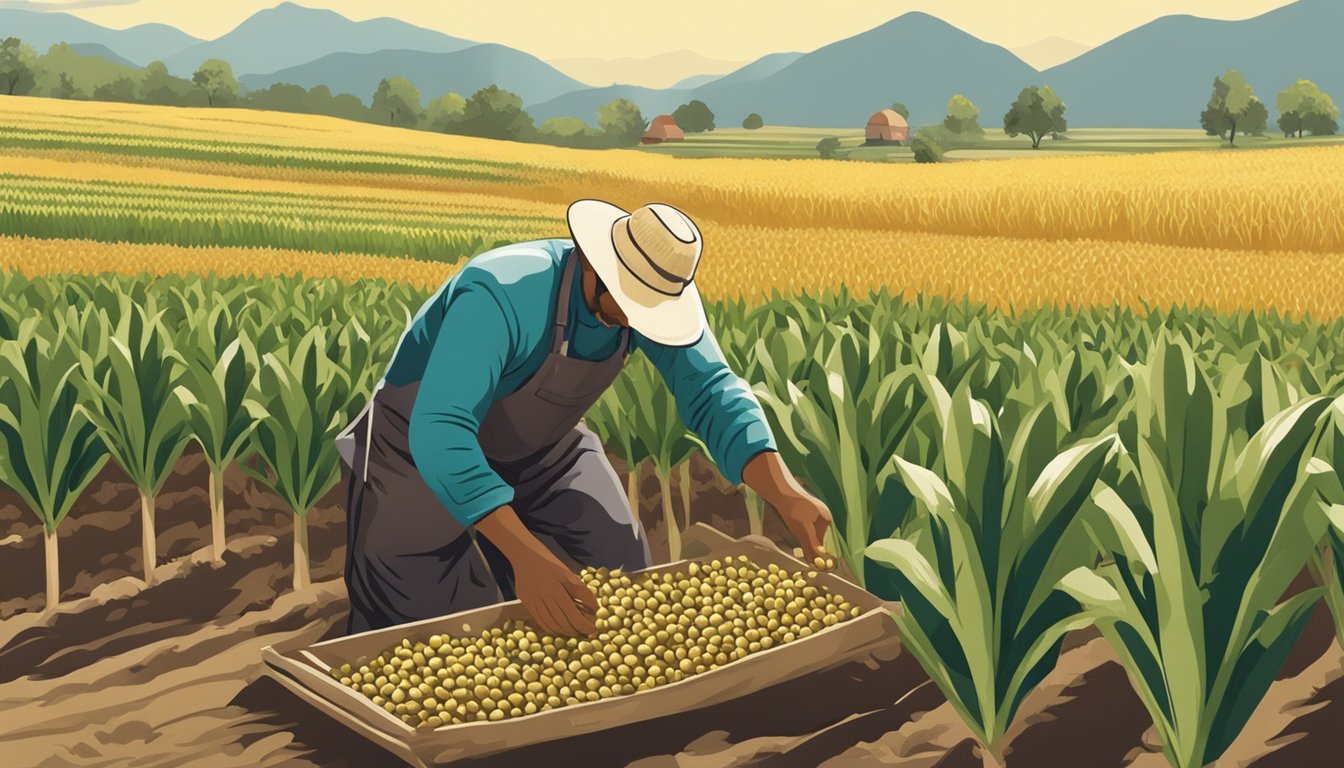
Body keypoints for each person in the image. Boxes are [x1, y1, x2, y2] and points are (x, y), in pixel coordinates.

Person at [338, 199, 833, 637]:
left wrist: (784, 492)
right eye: (636, 304)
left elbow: (710, 389)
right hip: (415, 451)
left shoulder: (659, 296)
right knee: (440, 631)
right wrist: (528, 557)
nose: (648, 322)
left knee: (621, 576)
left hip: (542, 449)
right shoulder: (504, 288)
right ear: (598, 268)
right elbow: (442, 429)